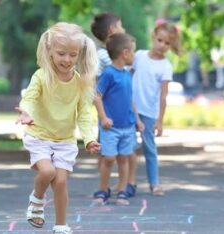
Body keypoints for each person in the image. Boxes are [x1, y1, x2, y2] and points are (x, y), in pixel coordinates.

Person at [15, 22, 101, 234]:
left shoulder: (80, 82)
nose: (67, 59)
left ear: (79, 54)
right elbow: (31, 98)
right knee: (48, 171)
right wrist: (26, 112)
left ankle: (61, 225)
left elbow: (83, 114)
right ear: (49, 50)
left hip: (64, 141)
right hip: (39, 136)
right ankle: (36, 198)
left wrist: (89, 138)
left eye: (73, 55)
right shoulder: (42, 76)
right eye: (61, 53)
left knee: (61, 181)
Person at [130, 20, 182, 196]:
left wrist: (160, 120)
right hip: (131, 109)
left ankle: (155, 183)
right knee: (128, 148)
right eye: (160, 40)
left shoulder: (166, 66)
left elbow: (163, 96)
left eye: (167, 43)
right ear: (153, 36)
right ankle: (128, 182)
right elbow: (127, 78)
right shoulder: (139, 56)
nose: (163, 45)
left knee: (149, 148)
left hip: (149, 113)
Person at [91, 13, 140, 198]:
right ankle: (104, 188)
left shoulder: (126, 73)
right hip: (110, 120)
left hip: (126, 123)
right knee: (109, 157)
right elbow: (97, 95)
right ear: (125, 53)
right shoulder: (108, 68)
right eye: (121, 26)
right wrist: (103, 117)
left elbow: (130, 99)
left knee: (124, 157)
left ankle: (122, 189)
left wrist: (136, 120)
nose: (124, 29)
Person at [91, 12, 126, 76]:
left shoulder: (105, 53)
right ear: (112, 29)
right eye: (121, 26)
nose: (124, 30)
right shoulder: (104, 55)